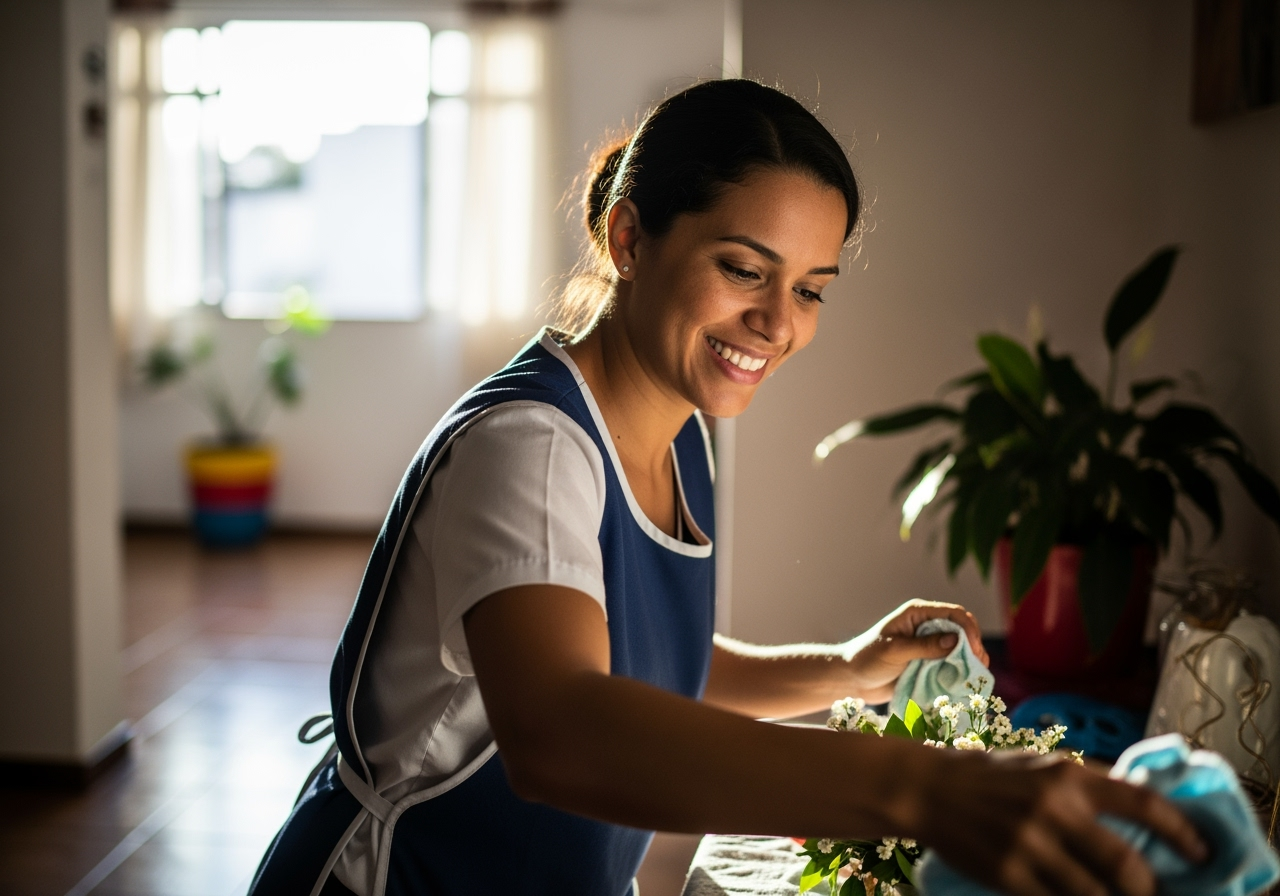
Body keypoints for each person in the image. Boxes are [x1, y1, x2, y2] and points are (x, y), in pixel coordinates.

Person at [248, 79, 1205, 896]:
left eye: (812, 288)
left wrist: (842, 666)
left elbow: (648, 667)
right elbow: (565, 729)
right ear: (630, 238)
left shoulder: (683, 431)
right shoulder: (531, 446)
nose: (776, 323)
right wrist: (931, 790)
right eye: (744, 269)